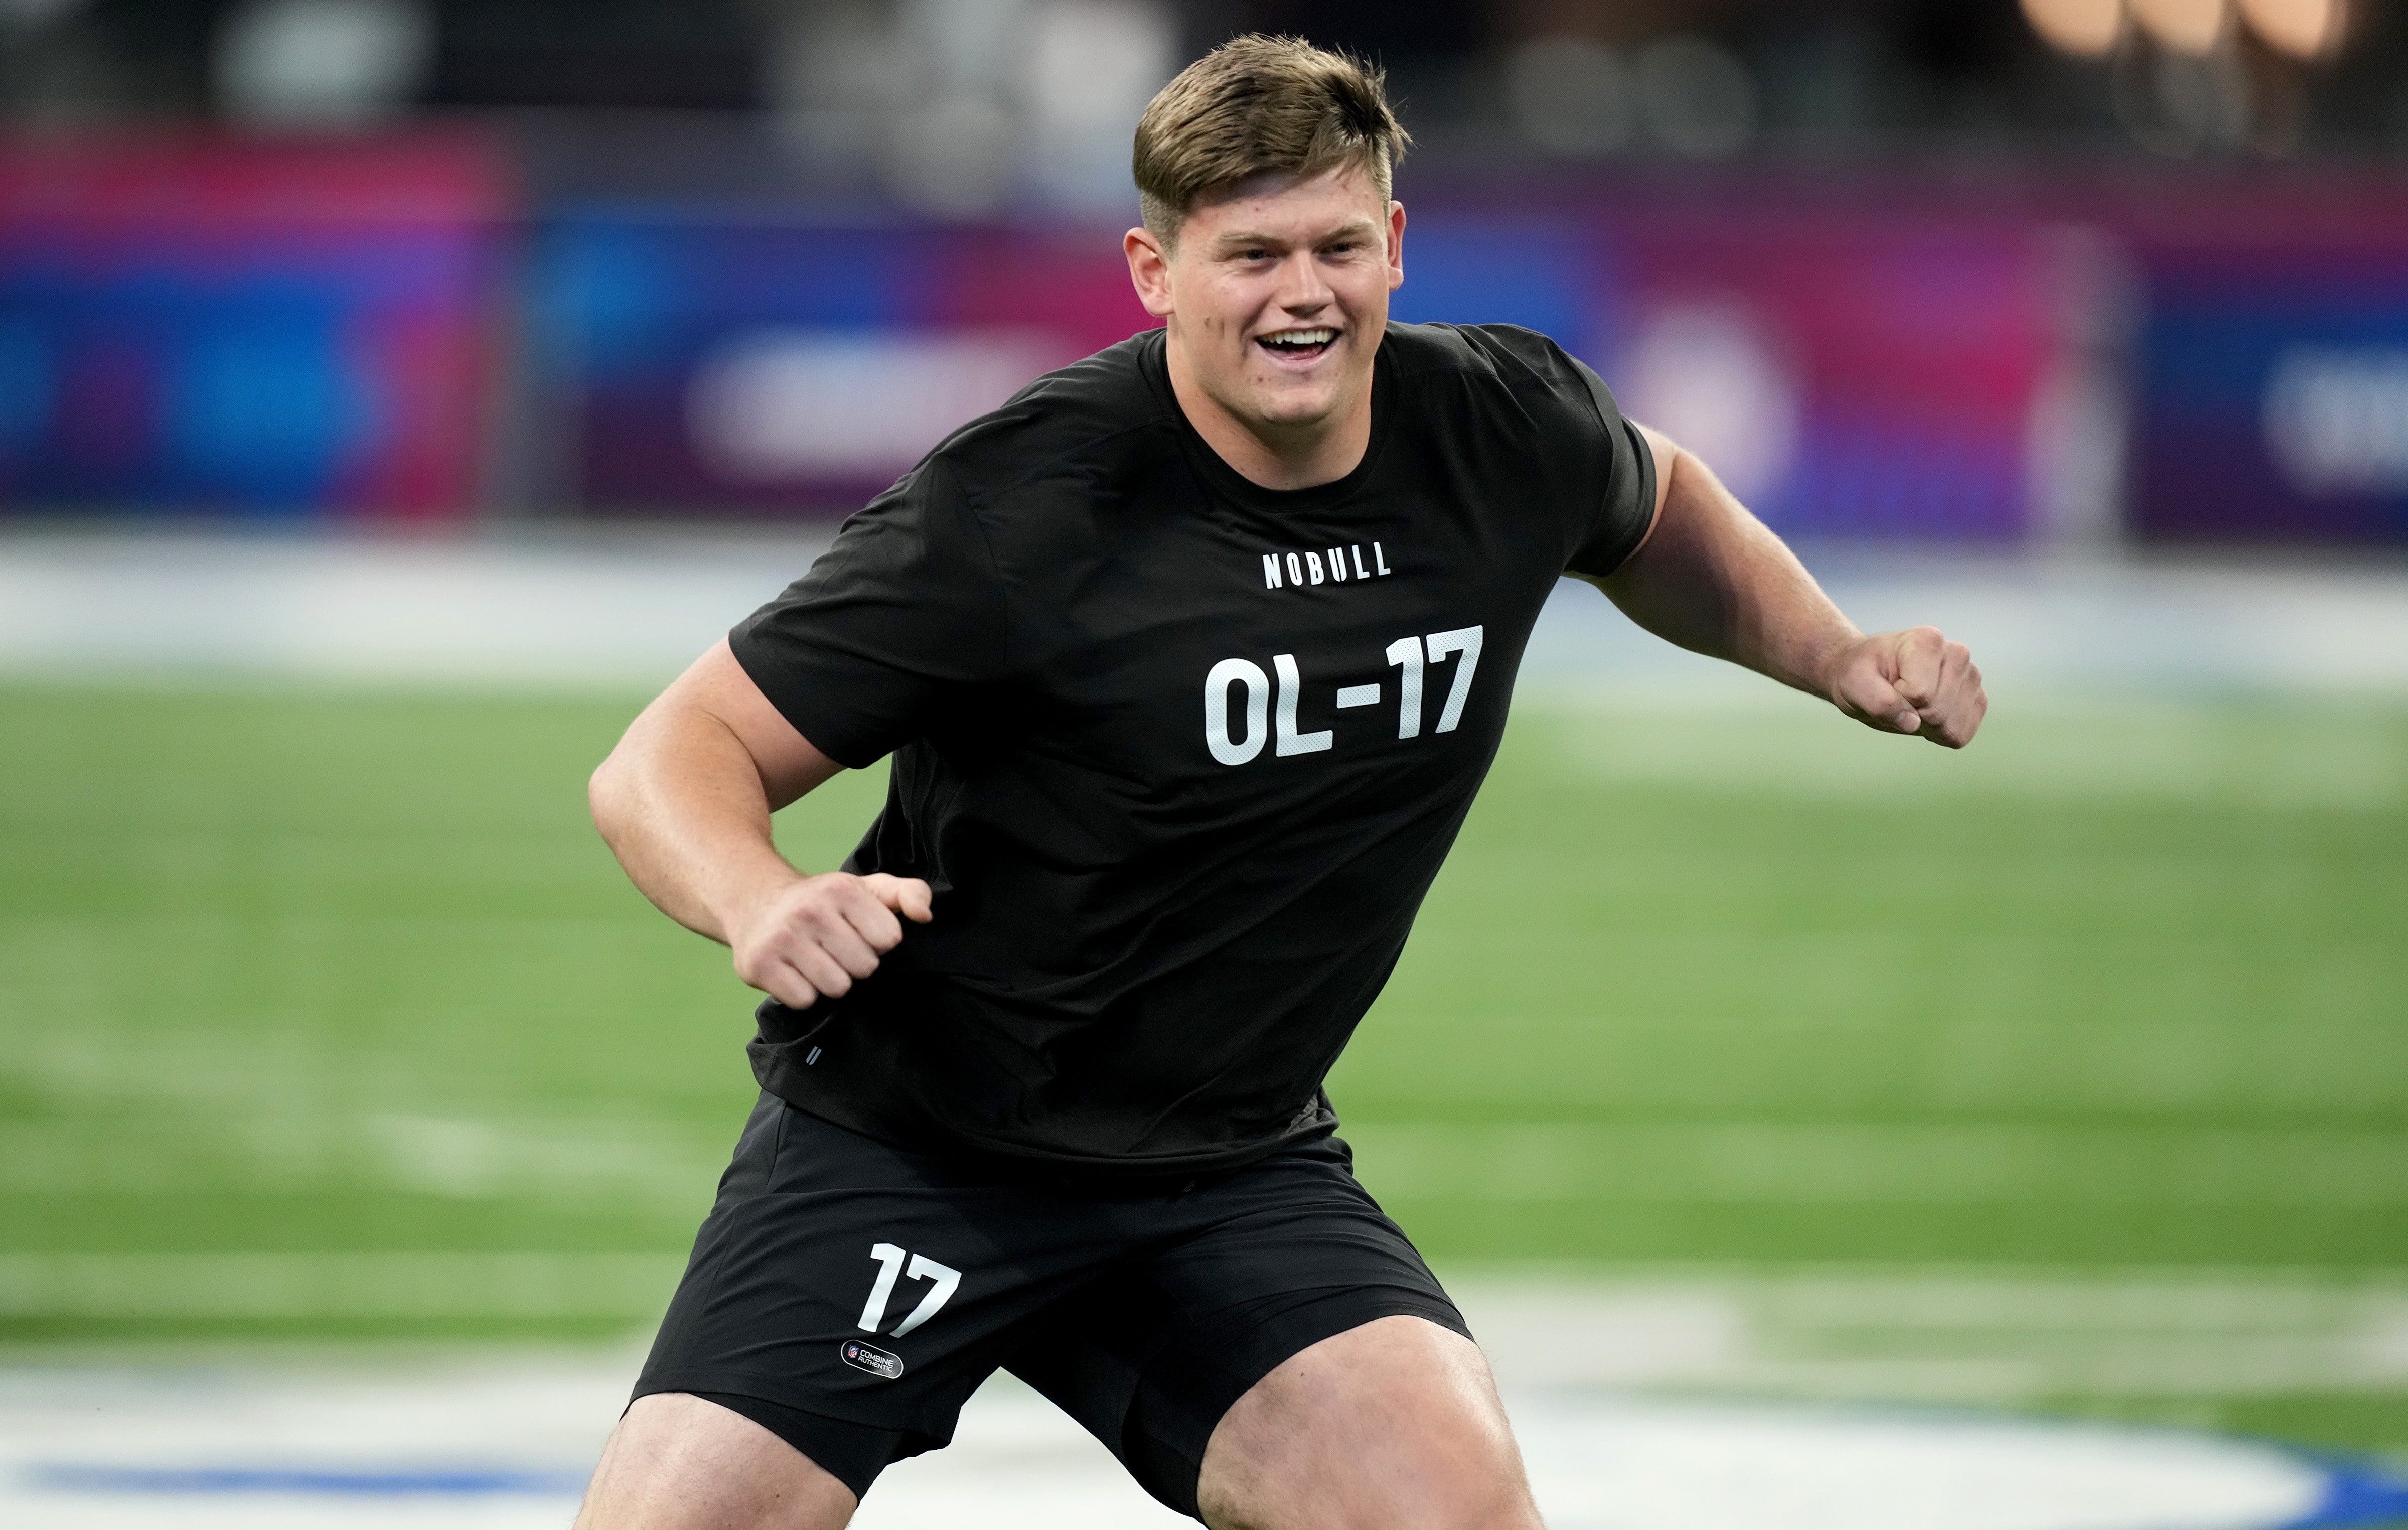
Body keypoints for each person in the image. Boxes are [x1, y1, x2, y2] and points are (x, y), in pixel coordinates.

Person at [575, 32, 1986, 1530]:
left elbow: (1658, 505)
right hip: (917, 1149)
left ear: (1394, 246)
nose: (1301, 293)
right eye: (1250, 254)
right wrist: (759, 895)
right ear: (1153, 270)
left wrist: (1832, 653)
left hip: (1226, 1172)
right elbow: (668, 756)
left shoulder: (1504, 425)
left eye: (1335, 245)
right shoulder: (1021, 506)